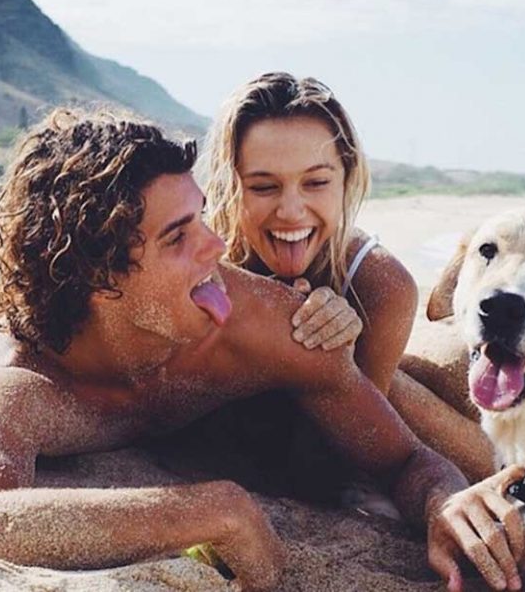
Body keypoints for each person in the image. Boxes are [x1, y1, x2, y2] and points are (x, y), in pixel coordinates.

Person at [0, 109, 524, 592]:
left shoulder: (260, 321)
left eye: (203, 215)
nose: (218, 245)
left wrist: (441, 503)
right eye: (178, 236)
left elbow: (403, 460)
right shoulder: (20, 383)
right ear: (99, 279)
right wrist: (210, 510)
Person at [202, 72, 494, 481]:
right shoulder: (197, 266)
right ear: (228, 186)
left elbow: (338, 467)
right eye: (263, 186)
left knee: (413, 382)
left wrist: (336, 364)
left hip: (337, 437)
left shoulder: (380, 286)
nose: (291, 210)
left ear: (346, 180)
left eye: (317, 183)